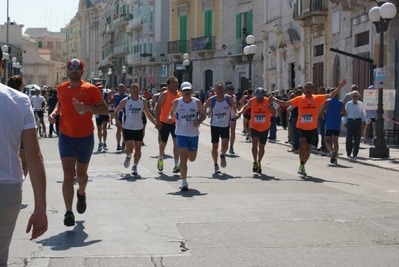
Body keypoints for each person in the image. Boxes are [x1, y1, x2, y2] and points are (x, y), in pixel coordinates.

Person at [0, 48, 47, 266]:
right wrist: (40, 208)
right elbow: (35, 156)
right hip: (6, 189)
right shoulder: (19, 101)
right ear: (2, 64)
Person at [48, 58, 108, 226]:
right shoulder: (61, 88)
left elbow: (104, 109)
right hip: (66, 137)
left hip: (85, 138)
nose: (74, 70)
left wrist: (88, 108)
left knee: (81, 175)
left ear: (82, 71)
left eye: (77, 68)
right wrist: (54, 114)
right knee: (68, 175)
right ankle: (68, 212)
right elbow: (61, 104)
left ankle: (81, 194)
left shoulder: (91, 89)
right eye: (71, 67)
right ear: (67, 70)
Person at [270, 78, 347, 176]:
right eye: (306, 87)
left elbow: (330, 95)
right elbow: (285, 104)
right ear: (304, 90)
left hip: (312, 127)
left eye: (310, 87)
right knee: (302, 145)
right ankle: (301, 164)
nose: (308, 89)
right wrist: (275, 100)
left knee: (308, 149)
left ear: (313, 89)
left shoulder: (317, 98)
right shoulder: (299, 99)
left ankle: (302, 165)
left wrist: (340, 87)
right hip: (301, 126)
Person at [168, 82, 206, 190]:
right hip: (181, 133)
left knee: (192, 158)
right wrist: (170, 117)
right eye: (185, 90)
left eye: (189, 90)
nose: (187, 92)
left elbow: (203, 115)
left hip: (193, 134)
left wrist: (198, 121)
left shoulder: (197, 102)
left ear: (191, 90)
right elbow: (172, 112)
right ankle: (184, 182)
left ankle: (189, 155)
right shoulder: (177, 102)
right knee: (183, 157)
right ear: (181, 92)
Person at [114, 83, 156, 175]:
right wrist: (117, 120)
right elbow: (116, 111)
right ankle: (128, 156)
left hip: (138, 128)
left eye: (137, 87)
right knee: (129, 148)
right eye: (133, 88)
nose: (135, 89)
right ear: (130, 90)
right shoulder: (125, 101)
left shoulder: (143, 101)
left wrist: (155, 123)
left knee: (138, 149)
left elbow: (147, 113)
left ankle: (135, 166)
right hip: (127, 127)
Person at [237, 88, 276, 174]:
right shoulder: (252, 101)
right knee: (254, 144)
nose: (259, 99)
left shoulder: (267, 101)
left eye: (260, 97)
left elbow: (274, 113)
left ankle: (259, 162)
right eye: (257, 97)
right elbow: (245, 106)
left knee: (262, 147)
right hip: (254, 126)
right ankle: (254, 161)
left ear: (263, 96)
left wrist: (270, 104)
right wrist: (239, 112)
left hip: (265, 127)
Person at [203, 82, 238, 173]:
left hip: (225, 126)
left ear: (224, 90)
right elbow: (202, 108)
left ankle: (222, 154)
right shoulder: (212, 99)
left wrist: (237, 114)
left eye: (222, 88)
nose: (220, 90)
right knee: (215, 147)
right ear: (215, 90)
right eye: (219, 88)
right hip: (215, 126)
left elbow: (235, 109)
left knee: (225, 145)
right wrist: (205, 112)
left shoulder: (229, 99)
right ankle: (215, 164)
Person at [155, 76, 182, 173]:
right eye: (174, 82)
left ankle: (176, 164)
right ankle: (161, 158)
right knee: (163, 143)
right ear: (169, 85)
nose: (176, 84)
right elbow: (157, 108)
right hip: (164, 122)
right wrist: (157, 121)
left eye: (177, 82)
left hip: (176, 123)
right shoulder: (164, 95)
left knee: (176, 142)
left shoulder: (180, 95)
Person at [7, 75, 28, 176]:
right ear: (20, 86)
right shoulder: (23, 100)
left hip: (5, 135)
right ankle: (19, 183)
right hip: (21, 135)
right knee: (24, 164)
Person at [319, 88, 346, 164]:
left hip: (329, 124)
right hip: (337, 124)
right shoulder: (341, 103)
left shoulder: (327, 102)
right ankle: (335, 157)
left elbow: (321, 112)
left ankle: (331, 152)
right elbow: (344, 114)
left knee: (326, 141)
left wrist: (325, 114)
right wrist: (338, 115)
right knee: (336, 142)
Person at [342, 91, 366, 158]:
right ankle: (348, 152)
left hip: (358, 121)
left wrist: (364, 120)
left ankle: (355, 153)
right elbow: (345, 114)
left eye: (356, 96)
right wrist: (344, 122)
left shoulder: (360, 104)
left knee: (357, 138)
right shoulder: (348, 104)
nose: (355, 98)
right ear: (351, 97)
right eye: (353, 96)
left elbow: (363, 113)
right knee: (349, 137)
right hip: (350, 121)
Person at [94, 82, 110, 152]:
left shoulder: (106, 94)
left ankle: (104, 142)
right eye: (98, 88)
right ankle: (100, 142)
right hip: (98, 114)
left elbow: (110, 101)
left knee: (104, 128)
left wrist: (108, 104)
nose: (100, 89)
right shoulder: (94, 95)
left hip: (105, 113)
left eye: (101, 87)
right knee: (99, 130)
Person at [112, 84, 128, 151]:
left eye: (122, 88)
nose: (120, 89)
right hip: (118, 115)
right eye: (119, 87)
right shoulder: (115, 96)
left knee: (124, 131)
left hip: (125, 116)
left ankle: (123, 142)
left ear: (124, 89)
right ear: (118, 88)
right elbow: (111, 102)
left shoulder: (127, 96)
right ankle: (118, 144)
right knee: (118, 129)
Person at [226, 84, 238, 154]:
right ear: (226, 90)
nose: (231, 91)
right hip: (225, 117)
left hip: (233, 116)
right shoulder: (224, 97)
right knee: (225, 132)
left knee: (232, 131)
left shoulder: (235, 97)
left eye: (232, 89)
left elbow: (237, 106)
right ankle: (225, 145)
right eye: (229, 89)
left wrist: (238, 113)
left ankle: (231, 146)